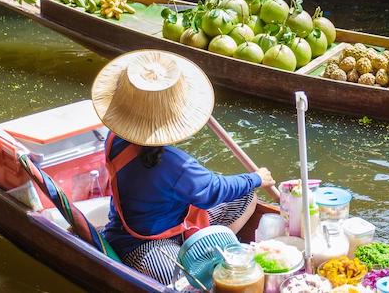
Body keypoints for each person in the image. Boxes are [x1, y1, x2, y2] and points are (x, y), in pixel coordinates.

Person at [93, 49, 275, 285]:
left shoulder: (114, 138)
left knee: (245, 196)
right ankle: (214, 260)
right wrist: (256, 178)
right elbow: (213, 190)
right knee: (185, 282)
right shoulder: (173, 164)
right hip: (144, 244)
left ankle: (207, 246)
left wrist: (250, 182)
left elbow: (208, 188)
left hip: (170, 222)